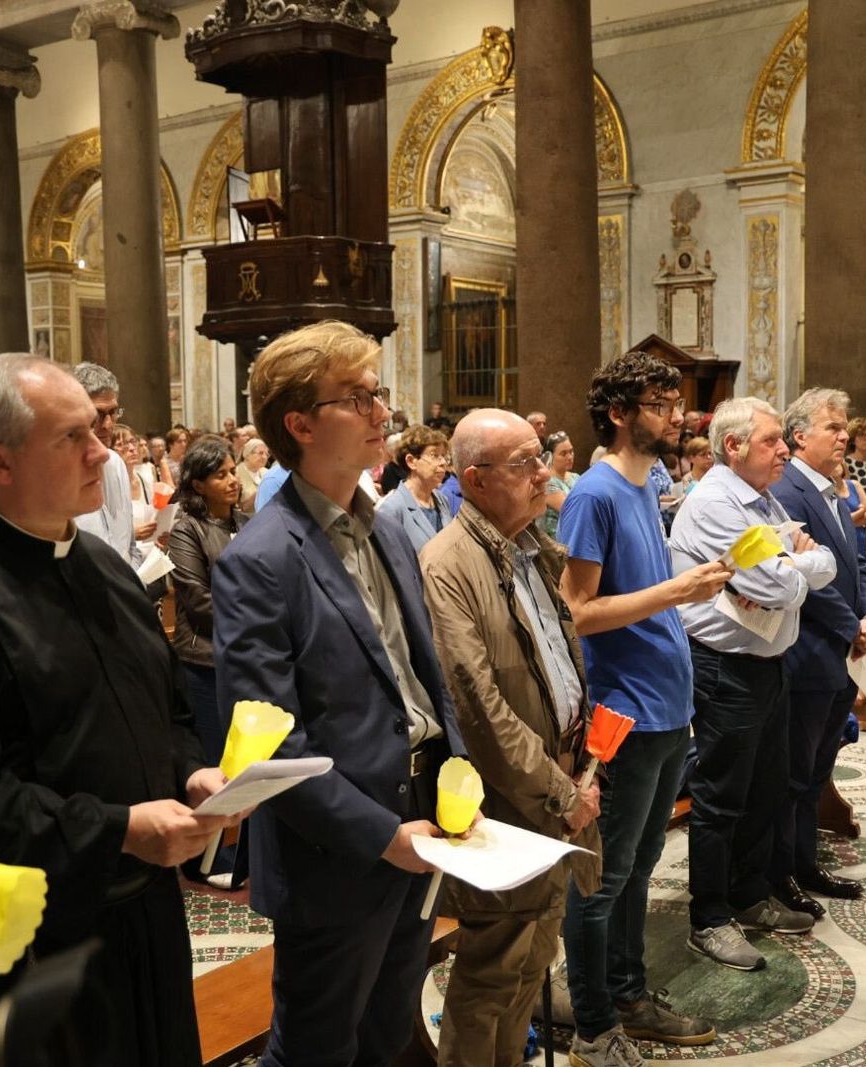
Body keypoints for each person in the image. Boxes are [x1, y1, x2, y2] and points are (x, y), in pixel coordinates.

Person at [0, 353, 234, 1067]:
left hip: (144, 914)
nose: (102, 452)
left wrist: (191, 772)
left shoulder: (102, 565)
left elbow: (165, 713)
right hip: (26, 944)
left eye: (99, 430)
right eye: (74, 436)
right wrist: (119, 830)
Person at [211, 321, 466, 1067]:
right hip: (337, 851)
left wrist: (456, 776)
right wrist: (384, 835)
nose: (382, 412)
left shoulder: (385, 531)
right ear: (300, 424)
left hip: (422, 816)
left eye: (378, 394)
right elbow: (270, 743)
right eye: (358, 398)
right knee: (316, 1049)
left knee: (389, 1034)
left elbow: (421, 677)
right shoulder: (261, 558)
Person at [557, 350, 728, 1063]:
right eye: (659, 404)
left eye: (675, 401)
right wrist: (676, 592)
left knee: (639, 865)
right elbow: (577, 611)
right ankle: (594, 1024)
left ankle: (628, 994)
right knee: (602, 877)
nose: (676, 415)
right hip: (622, 711)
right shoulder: (594, 493)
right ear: (620, 413)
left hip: (664, 707)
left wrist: (688, 588)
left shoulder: (646, 483)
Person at [417, 409, 601, 1067]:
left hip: (558, 779)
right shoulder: (449, 562)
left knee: (534, 957)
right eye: (525, 463)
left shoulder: (529, 547)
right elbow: (479, 707)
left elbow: (558, 662)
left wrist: (582, 766)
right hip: (509, 796)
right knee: (494, 964)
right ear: (476, 479)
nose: (543, 473)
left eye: (540, 457)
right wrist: (560, 791)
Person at [669, 396, 835, 973]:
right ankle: (709, 918)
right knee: (720, 798)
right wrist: (794, 565)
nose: (784, 449)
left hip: (767, 662)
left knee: (766, 788)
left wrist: (794, 566)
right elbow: (775, 588)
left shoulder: (761, 499)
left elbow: (822, 564)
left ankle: (747, 895)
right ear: (733, 446)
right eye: (771, 440)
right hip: (724, 666)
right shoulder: (717, 503)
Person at [769, 391, 866, 914]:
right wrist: (851, 625)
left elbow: (859, 562)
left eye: (844, 427)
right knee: (794, 774)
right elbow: (804, 580)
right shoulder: (788, 492)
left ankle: (806, 862)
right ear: (799, 437)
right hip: (810, 650)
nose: (844, 435)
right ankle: (783, 873)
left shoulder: (834, 488)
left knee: (818, 769)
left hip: (842, 650)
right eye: (833, 427)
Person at [165, 435, 248, 765]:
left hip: (249, 656)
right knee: (217, 761)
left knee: (250, 760)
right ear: (198, 485)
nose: (232, 481)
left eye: (233, 471)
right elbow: (198, 601)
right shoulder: (187, 530)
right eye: (220, 475)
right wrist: (256, 623)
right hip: (206, 659)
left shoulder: (248, 523)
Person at [72, 362, 147, 570]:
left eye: (113, 413)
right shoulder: (59, 472)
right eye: (98, 415)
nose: (107, 425)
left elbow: (129, 545)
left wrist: (132, 581)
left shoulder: (116, 464)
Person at [376, 424, 452, 553]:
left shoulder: (442, 499)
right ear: (411, 461)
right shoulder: (392, 508)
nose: (443, 462)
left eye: (443, 456)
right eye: (434, 455)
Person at [540, 430, 578, 539]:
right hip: (555, 543)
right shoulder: (547, 482)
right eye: (563, 453)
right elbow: (572, 510)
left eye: (571, 451)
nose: (569, 457)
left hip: (573, 536)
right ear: (551, 457)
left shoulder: (576, 477)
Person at [237, 437, 270, 513]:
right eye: (260, 453)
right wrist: (260, 491)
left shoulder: (267, 472)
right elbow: (239, 507)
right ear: (247, 454)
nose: (264, 457)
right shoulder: (237, 473)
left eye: (267, 454)